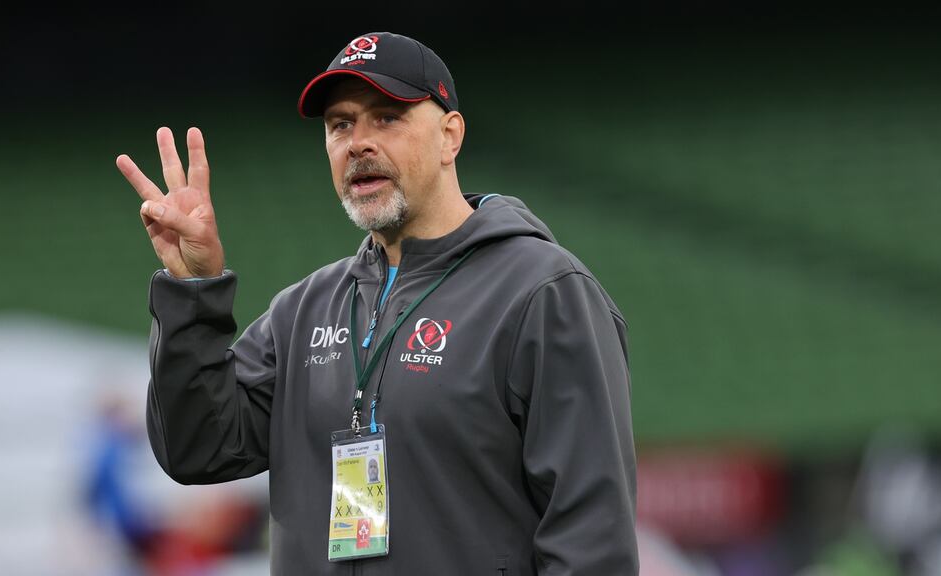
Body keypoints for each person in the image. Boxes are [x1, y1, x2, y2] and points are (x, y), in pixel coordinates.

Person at [116, 31, 638, 575]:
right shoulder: (304, 310)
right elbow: (198, 448)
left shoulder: (542, 293)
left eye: (386, 117)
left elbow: (591, 540)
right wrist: (193, 294)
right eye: (340, 124)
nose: (357, 143)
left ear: (449, 136)